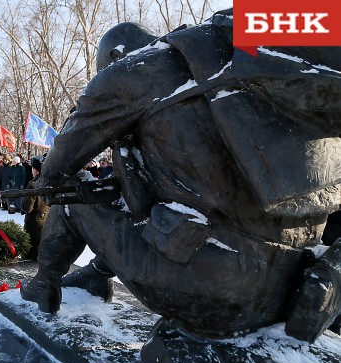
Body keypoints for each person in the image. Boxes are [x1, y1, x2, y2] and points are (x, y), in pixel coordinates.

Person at [20, 12, 341, 344]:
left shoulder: (130, 72)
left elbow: (56, 169)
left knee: (74, 193)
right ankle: (97, 274)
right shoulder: (225, 54)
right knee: (141, 209)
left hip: (220, 291)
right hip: (296, 281)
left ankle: (44, 285)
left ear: (115, 57)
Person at [20, 156, 50, 260]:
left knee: (31, 255)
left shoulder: (33, 185)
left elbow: (27, 208)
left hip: (35, 223)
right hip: (48, 220)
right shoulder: (49, 182)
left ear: (35, 170)